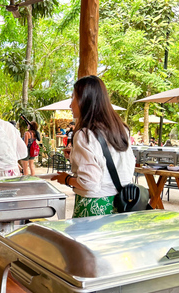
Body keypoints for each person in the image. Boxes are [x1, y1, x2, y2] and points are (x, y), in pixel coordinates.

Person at [51, 75, 135, 218]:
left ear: (85, 100)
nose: (70, 105)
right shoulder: (121, 129)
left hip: (94, 207)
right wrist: (75, 156)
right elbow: (124, 165)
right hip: (122, 204)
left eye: (73, 98)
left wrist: (65, 179)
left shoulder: (85, 135)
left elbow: (89, 183)